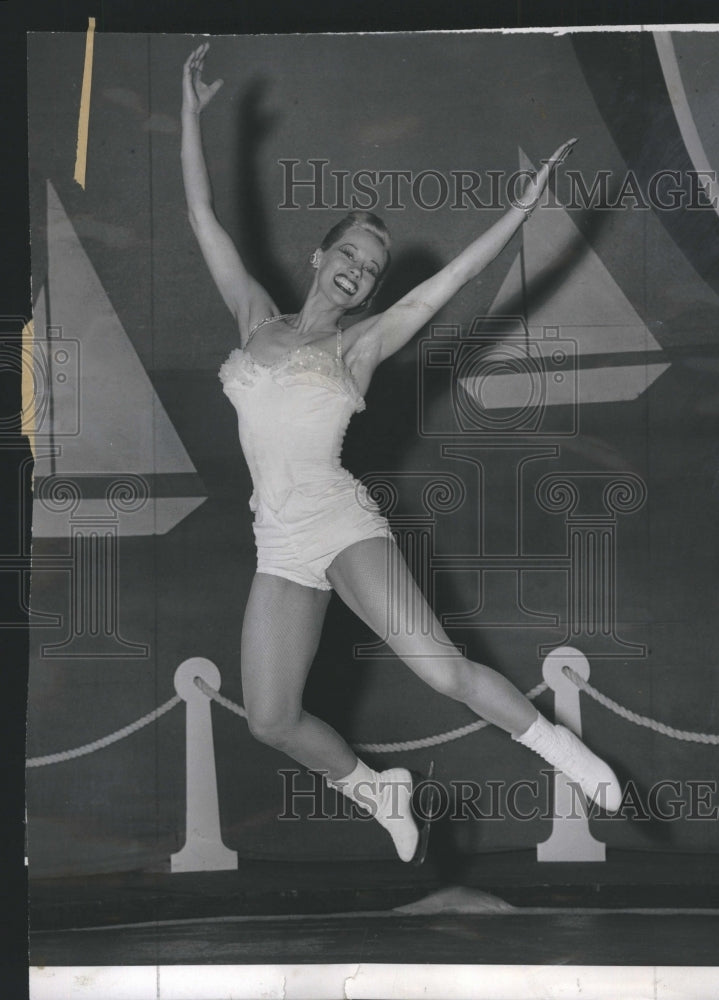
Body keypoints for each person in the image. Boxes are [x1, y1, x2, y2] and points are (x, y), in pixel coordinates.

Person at [181, 42, 621, 864]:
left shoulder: (358, 348)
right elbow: (203, 216)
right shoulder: (253, 319)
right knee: (272, 718)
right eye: (347, 254)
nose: (357, 272)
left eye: (371, 270)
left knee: (442, 672)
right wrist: (187, 116)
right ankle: (375, 787)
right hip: (275, 539)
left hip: (339, 522)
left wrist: (522, 210)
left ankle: (567, 753)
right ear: (319, 256)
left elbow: (441, 287)